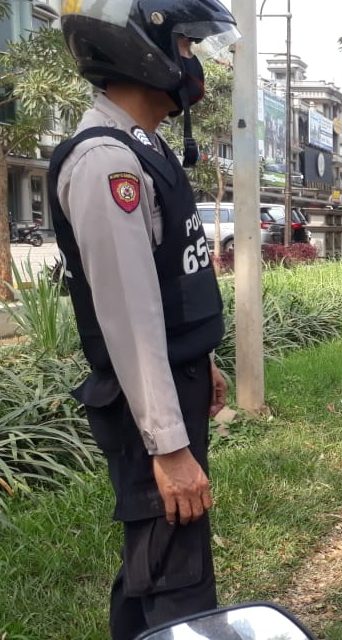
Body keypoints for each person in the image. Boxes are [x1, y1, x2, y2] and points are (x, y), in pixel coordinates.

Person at [50, 2, 240, 638]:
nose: (195, 63)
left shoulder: (145, 147)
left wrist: (202, 359)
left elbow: (168, 282)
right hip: (145, 408)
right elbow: (128, 315)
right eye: (187, 46)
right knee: (177, 580)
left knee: (156, 561)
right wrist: (170, 447)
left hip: (173, 383)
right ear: (141, 49)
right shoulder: (107, 163)